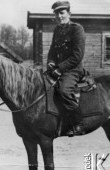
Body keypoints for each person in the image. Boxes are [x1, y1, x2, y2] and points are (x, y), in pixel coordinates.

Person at [47, 1, 86, 136]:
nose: (59, 16)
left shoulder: (77, 29)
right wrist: (51, 63)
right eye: (56, 13)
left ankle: (78, 122)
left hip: (73, 69)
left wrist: (60, 68)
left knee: (64, 90)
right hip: (58, 68)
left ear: (69, 13)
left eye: (62, 13)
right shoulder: (57, 30)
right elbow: (52, 51)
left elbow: (77, 56)